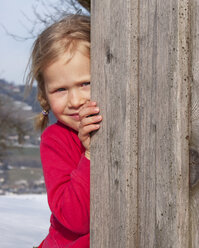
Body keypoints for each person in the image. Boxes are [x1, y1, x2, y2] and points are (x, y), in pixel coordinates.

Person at [26, 14, 102, 248]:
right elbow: (75, 220)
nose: (75, 100)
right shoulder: (55, 140)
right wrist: (90, 155)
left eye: (85, 83)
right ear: (44, 97)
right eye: (60, 89)